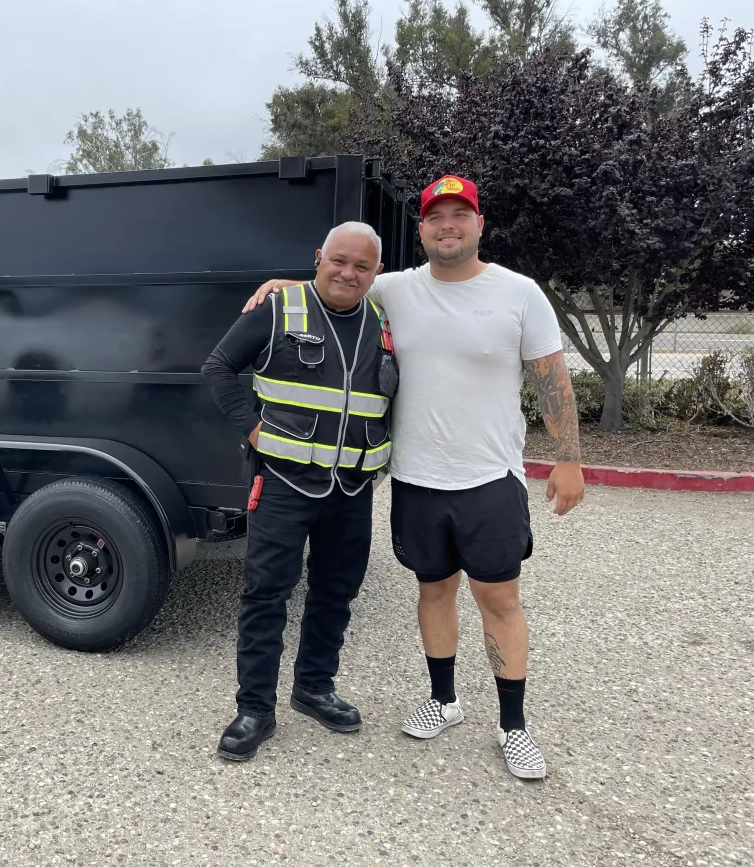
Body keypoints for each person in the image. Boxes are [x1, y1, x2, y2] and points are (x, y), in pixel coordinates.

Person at [240, 175, 585, 780]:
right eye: (435, 217)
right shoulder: (395, 289)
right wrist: (282, 285)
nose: (448, 226)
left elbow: (551, 377)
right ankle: (444, 700)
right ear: (422, 229)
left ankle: (514, 727)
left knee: (499, 600)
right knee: (434, 592)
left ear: (479, 224)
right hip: (417, 479)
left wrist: (569, 457)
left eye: (460, 215)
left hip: (489, 476)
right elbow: (337, 280)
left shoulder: (519, 293)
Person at [201, 221, 397, 761]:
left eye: (362, 266)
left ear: (377, 272)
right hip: (284, 484)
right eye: (339, 260)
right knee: (266, 595)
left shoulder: (385, 320)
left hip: (352, 488)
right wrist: (252, 428)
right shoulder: (279, 309)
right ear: (318, 258)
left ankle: (314, 687)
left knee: (336, 593)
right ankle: (254, 709)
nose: (348, 273)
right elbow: (218, 367)